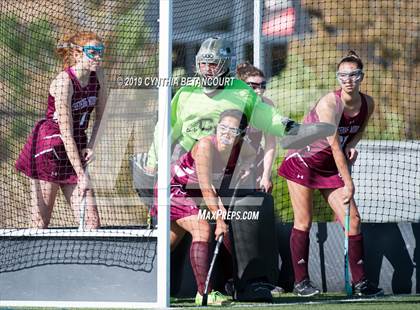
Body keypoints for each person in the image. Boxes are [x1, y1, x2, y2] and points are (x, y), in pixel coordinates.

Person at [278, 51, 384, 297]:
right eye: (343, 75)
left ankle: (361, 284)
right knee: (304, 220)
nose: (348, 79)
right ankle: (301, 282)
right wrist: (349, 182)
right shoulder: (330, 104)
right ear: (338, 78)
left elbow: (358, 130)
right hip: (303, 160)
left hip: (328, 165)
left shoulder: (368, 103)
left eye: (354, 74)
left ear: (361, 77)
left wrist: (352, 145)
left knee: (353, 219)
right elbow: (334, 145)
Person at [144, 37, 296, 178]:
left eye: (213, 64)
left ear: (226, 64)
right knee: (177, 204)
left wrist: (295, 129)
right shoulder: (187, 92)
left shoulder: (243, 92)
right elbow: (165, 128)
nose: (207, 69)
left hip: (225, 161)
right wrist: (153, 161)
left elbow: (269, 118)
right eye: (203, 64)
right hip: (186, 156)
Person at [152, 109, 255, 305]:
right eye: (222, 127)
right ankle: (204, 293)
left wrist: (246, 168)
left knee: (169, 244)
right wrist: (218, 219)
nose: (225, 133)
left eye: (232, 130)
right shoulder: (206, 146)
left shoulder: (243, 147)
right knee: (203, 228)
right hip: (172, 188)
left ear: (242, 133)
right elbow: (207, 188)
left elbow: (251, 157)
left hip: (193, 195)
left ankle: (145, 283)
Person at [15, 32, 106, 229]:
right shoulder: (64, 82)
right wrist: (81, 175)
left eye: (100, 52)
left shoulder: (98, 76)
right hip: (51, 149)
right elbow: (66, 133)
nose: (98, 57)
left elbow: (101, 116)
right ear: (77, 54)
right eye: (93, 52)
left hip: (76, 146)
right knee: (40, 223)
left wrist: (91, 146)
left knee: (92, 224)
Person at [236, 63, 276, 192]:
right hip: (231, 160)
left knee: (259, 203)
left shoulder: (267, 105)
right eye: (253, 86)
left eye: (262, 86)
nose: (259, 91)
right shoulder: (232, 104)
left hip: (255, 160)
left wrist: (266, 175)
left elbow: (271, 143)